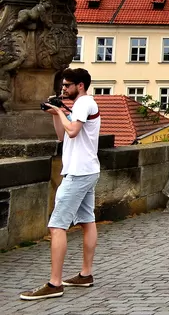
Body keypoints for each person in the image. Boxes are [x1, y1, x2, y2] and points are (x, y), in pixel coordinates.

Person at [21, 68, 101, 301]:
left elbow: (73, 131)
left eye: (67, 85)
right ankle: (85, 274)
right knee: (87, 221)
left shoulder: (84, 103)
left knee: (57, 226)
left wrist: (59, 110)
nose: (63, 89)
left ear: (80, 85)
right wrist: (56, 114)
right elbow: (62, 137)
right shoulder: (80, 106)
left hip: (78, 174)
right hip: (87, 170)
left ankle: (54, 283)